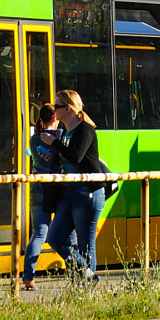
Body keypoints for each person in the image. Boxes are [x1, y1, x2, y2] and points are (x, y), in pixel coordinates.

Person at [45, 89, 105, 281]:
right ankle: (86, 274)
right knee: (54, 237)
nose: (54, 109)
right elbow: (66, 158)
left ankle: (85, 286)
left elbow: (76, 156)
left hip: (87, 192)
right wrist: (53, 154)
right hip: (68, 192)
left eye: (57, 106)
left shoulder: (85, 129)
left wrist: (55, 143)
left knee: (86, 244)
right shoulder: (65, 133)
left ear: (68, 109)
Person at [21, 105, 64, 290]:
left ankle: (28, 277)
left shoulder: (34, 140)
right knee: (68, 236)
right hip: (57, 190)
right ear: (55, 118)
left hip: (37, 189)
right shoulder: (60, 138)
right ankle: (78, 271)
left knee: (39, 234)